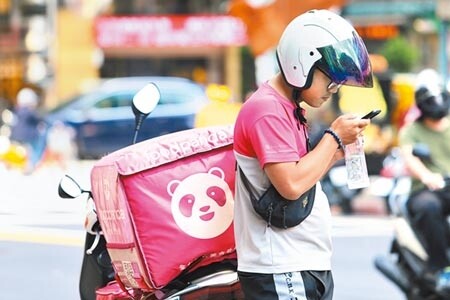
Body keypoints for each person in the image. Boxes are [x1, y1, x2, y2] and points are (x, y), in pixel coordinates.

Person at [233, 9, 373, 299]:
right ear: (302, 63)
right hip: (281, 265)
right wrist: (334, 136)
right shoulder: (267, 110)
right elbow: (292, 184)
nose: (333, 90)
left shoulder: (287, 108)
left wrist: (337, 150)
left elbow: (303, 174)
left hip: (302, 262)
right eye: (330, 81)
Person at [398, 69, 450, 294]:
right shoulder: (411, 131)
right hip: (427, 190)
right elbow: (410, 158)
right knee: (429, 208)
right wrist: (428, 177)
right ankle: (443, 269)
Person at [10, 87, 46, 173]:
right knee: (35, 148)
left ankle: (20, 165)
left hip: (15, 136)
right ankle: (31, 165)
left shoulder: (17, 111)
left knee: (22, 152)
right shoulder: (30, 111)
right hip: (29, 137)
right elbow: (40, 120)